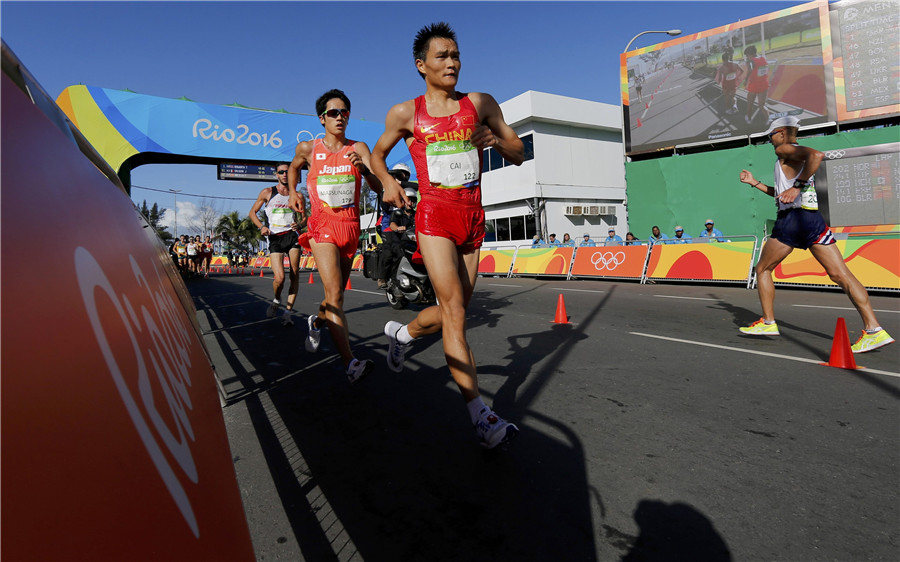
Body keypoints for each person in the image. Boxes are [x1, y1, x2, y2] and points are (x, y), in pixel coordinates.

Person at [370, 22, 524, 448]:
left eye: (456, 55)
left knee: (454, 312)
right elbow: (378, 156)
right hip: (434, 216)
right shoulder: (405, 113)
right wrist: (387, 182)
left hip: (473, 217)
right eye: (442, 56)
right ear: (422, 65)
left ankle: (401, 335)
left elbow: (518, 153)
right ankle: (481, 416)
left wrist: (495, 138)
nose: (452, 62)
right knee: (454, 313)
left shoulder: (480, 103)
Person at [737, 116, 893, 353]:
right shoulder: (793, 155)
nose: (770, 141)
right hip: (811, 219)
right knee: (841, 274)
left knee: (762, 269)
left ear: (781, 133)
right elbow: (782, 195)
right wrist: (755, 183)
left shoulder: (784, 148)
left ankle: (768, 323)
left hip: (792, 220)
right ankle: (874, 329)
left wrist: (796, 186)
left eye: (770, 136)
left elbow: (817, 156)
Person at [287, 89, 383, 382]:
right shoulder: (308, 148)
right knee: (336, 295)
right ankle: (350, 363)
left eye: (345, 112)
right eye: (334, 113)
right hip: (321, 225)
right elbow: (293, 168)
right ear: (322, 119)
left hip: (350, 226)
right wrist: (293, 192)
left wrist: (364, 170)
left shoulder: (360, 147)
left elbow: (380, 187)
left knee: (335, 296)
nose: (340, 117)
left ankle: (316, 321)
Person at [250, 161, 303, 326]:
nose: (285, 175)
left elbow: (304, 217)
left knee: (294, 275)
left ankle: (287, 313)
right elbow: (252, 212)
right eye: (281, 172)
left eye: (287, 172)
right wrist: (261, 226)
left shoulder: (298, 195)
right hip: (275, 238)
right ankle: (276, 300)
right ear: (276, 175)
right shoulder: (267, 192)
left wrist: (299, 225)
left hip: (292, 236)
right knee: (279, 278)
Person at [741, 44, 769, 124]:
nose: (746, 57)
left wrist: (746, 80)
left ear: (751, 54)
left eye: (747, 55)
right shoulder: (763, 58)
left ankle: (748, 118)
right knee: (762, 105)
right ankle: (768, 120)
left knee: (750, 104)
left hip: (754, 85)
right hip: (764, 84)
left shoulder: (751, 61)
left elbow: (749, 70)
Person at [715, 51, 743, 115]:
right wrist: (737, 77)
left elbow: (719, 79)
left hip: (726, 85)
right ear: (728, 58)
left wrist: (718, 82)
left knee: (727, 97)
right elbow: (742, 71)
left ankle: (728, 110)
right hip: (733, 84)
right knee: (733, 96)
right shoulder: (735, 65)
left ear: (722, 59)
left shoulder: (721, 68)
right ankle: (735, 106)